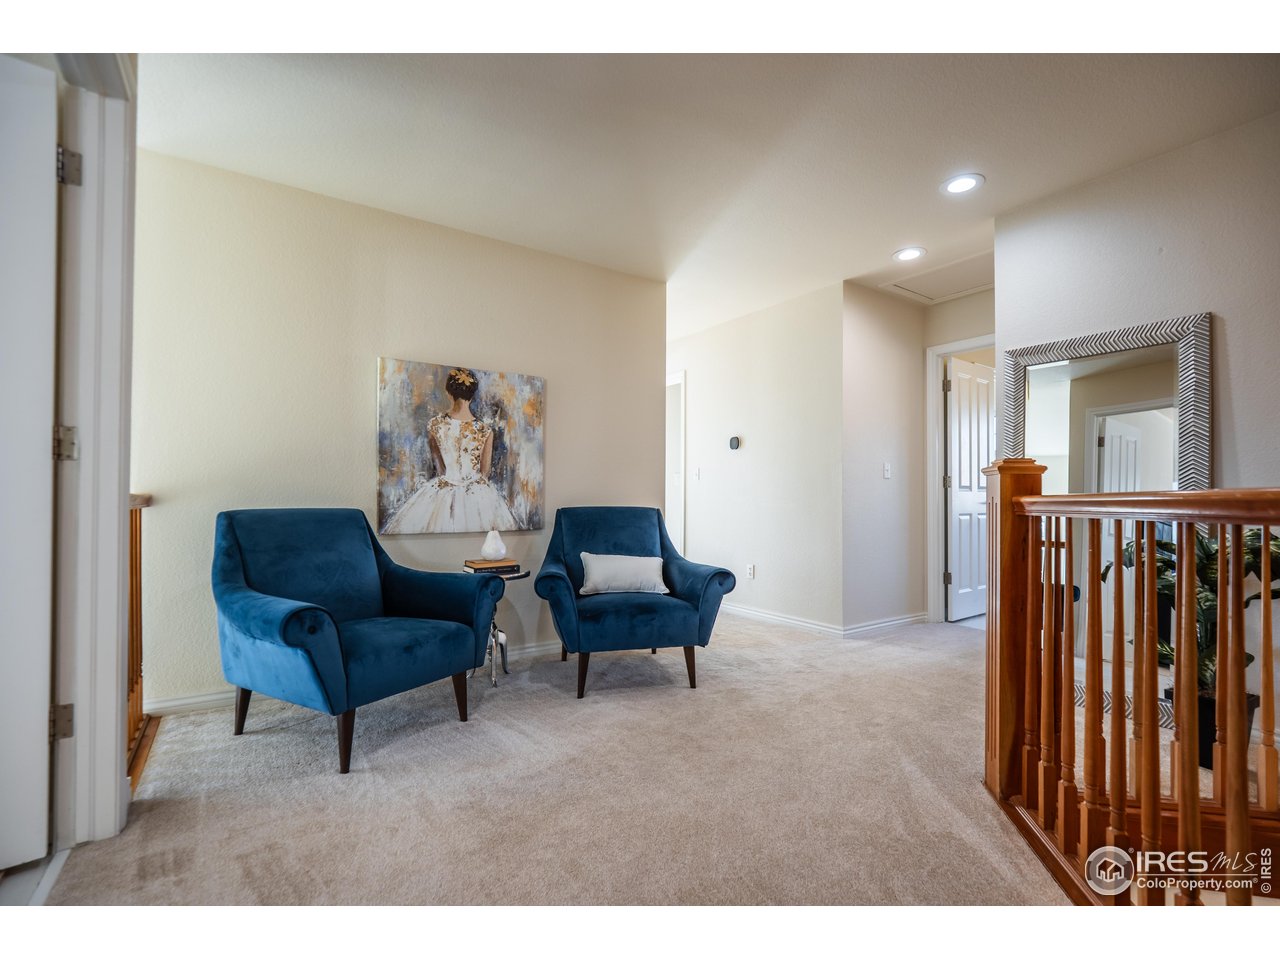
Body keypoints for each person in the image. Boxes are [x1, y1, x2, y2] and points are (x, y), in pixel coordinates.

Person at [383, 368, 517, 534]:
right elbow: (485, 471)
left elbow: (440, 469)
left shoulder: (435, 425)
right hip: (478, 493)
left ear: (448, 392)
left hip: (443, 490)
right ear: (473, 394)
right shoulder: (485, 430)